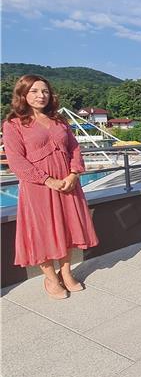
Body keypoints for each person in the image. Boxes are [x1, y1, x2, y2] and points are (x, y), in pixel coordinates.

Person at [2, 75, 98, 299]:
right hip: (38, 187)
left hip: (67, 182)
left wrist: (74, 173)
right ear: (23, 94)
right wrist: (48, 180)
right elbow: (16, 160)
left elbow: (74, 148)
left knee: (69, 227)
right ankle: (51, 278)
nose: (40, 95)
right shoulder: (14, 124)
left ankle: (66, 272)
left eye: (44, 91)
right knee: (42, 231)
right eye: (34, 91)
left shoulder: (59, 120)